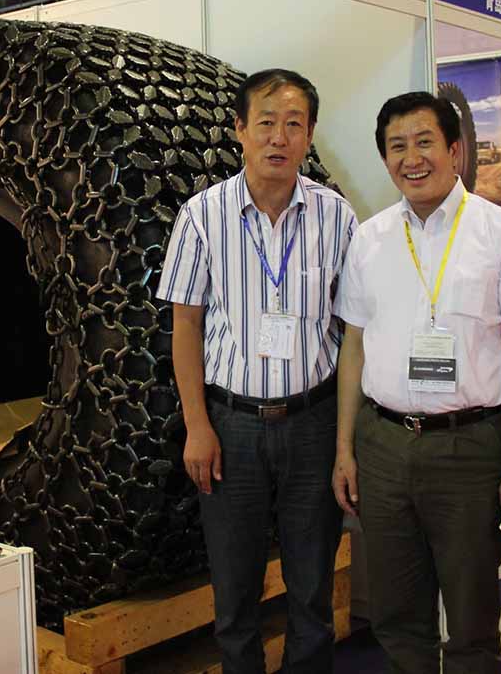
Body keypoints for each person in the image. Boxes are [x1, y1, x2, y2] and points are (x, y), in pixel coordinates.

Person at [331, 91, 501, 674]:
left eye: (425, 141)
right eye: (397, 146)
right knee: (397, 617)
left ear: (455, 150)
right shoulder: (369, 239)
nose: (412, 158)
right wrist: (345, 449)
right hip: (383, 444)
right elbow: (354, 348)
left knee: (473, 619)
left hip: (470, 447)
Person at [156, 68, 357, 674]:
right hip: (230, 425)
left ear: (309, 135)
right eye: (266, 122)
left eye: (294, 124)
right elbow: (185, 326)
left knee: (312, 590)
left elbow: (354, 332)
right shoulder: (202, 215)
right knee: (234, 594)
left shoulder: (336, 216)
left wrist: (345, 441)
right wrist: (197, 425)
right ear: (239, 129)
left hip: (313, 420)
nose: (279, 137)